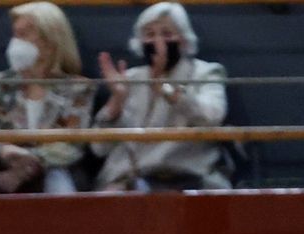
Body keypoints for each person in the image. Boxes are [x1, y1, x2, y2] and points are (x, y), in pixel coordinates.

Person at [93, 1, 229, 191]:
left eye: (166, 34)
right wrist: (117, 100)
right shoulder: (130, 79)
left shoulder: (206, 72)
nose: (158, 43)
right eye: (150, 35)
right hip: (128, 178)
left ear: (183, 40)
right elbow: (98, 148)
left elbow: (212, 117)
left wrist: (166, 88)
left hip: (186, 176)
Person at [0, 2, 93, 193]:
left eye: (25, 34)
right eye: (15, 34)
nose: (16, 43)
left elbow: (71, 145)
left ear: (51, 42)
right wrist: (5, 152)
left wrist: (26, 168)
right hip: (2, 171)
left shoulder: (78, 88)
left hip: (55, 173)